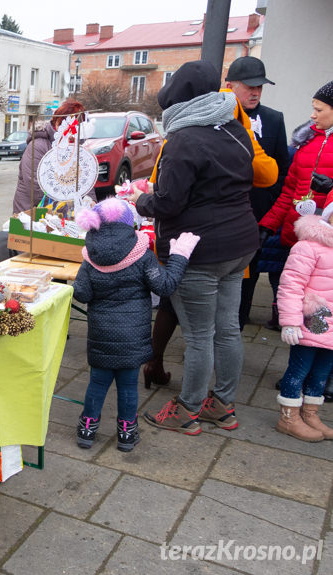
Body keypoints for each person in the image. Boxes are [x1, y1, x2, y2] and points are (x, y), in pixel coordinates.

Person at [131, 61, 258, 435]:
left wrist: (140, 202)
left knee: (200, 335)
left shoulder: (183, 140)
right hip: (241, 244)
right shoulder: (235, 129)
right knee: (228, 329)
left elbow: (169, 203)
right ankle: (222, 404)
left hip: (199, 252)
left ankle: (187, 409)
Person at [72, 198, 198, 452]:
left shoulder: (90, 257)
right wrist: (179, 257)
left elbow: (82, 294)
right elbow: (164, 286)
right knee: (128, 386)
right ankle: (127, 434)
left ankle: (87, 428)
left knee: (97, 383)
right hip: (132, 336)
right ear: (130, 225)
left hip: (101, 335)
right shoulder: (142, 256)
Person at [224, 57, 291, 330]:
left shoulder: (274, 119)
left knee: (250, 271)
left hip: (259, 214)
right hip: (223, 213)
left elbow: (283, 170)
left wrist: (272, 215)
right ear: (230, 86)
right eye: (249, 86)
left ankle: (240, 319)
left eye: (260, 87)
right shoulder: (217, 117)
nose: (255, 92)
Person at [260, 80, 333, 328]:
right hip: (297, 237)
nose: (313, 114)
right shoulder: (307, 142)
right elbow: (289, 191)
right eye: (313, 108)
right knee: (293, 294)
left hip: (327, 244)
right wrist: (268, 225)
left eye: (320, 109)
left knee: (320, 309)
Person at [274, 209, 333, 442]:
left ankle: (310, 413)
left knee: (322, 371)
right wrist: (290, 322)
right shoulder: (308, 246)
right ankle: (288, 416)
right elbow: (291, 284)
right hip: (313, 320)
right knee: (299, 368)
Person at [11, 99, 85, 215]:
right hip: (31, 214)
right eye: (71, 127)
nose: (73, 134)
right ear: (57, 123)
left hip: (60, 214)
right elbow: (36, 187)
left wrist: (90, 202)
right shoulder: (37, 146)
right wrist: (67, 211)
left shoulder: (76, 147)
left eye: (77, 128)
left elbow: (84, 180)